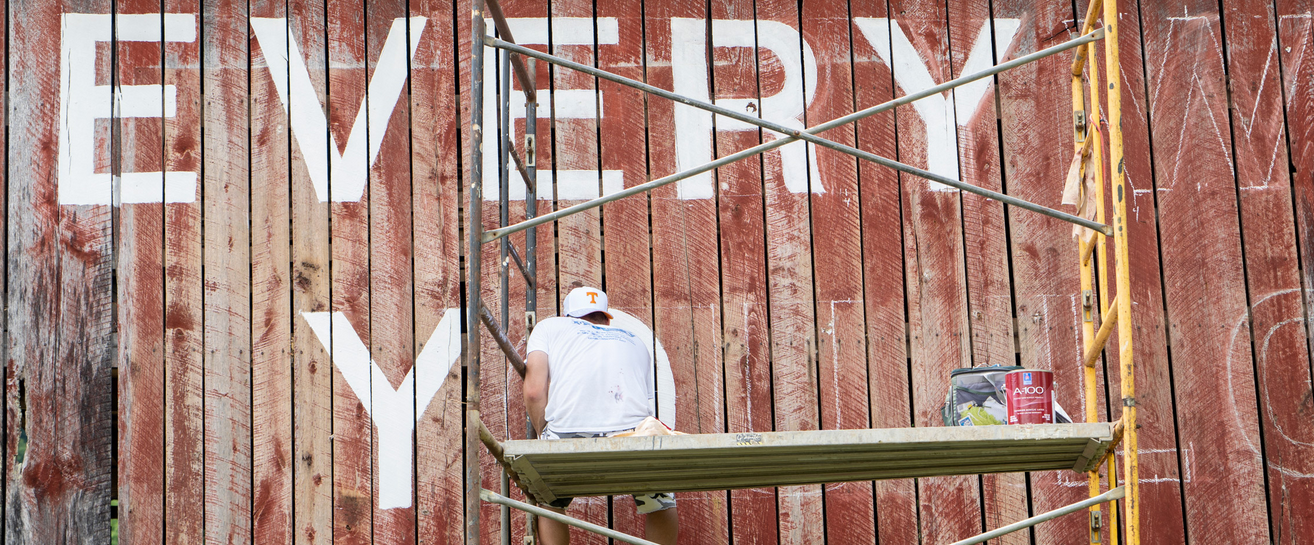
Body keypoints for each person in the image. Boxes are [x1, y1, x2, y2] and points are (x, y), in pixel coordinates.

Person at [523, 286, 679, 545]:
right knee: (661, 502)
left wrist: (545, 435)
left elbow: (534, 391)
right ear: (606, 318)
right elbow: (645, 404)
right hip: (631, 434)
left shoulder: (550, 328)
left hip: (567, 430)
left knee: (549, 501)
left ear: (569, 317)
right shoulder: (635, 339)